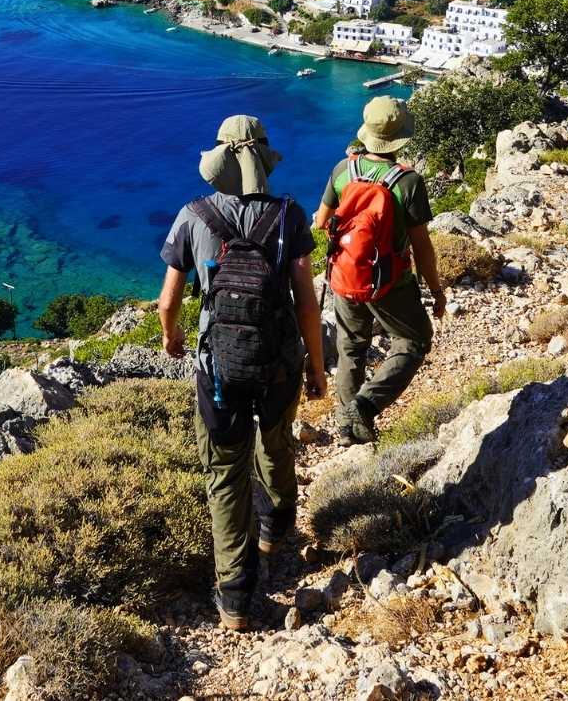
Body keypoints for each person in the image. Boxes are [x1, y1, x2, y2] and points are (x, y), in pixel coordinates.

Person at [158, 115, 326, 631]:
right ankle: (276, 533)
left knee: (225, 474)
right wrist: (317, 368)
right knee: (274, 444)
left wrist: (175, 339)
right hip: (278, 363)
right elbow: (306, 304)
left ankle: (234, 596)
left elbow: (168, 302)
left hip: (218, 369)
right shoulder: (289, 214)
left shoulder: (194, 215)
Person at [312, 95, 444, 446]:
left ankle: (347, 425)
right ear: (401, 137)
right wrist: (436, 289)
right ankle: (364, 408)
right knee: (414, 340)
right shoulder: (408, 183)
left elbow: (321, 222)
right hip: (391, 283)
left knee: (351, 347)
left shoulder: (343, 171)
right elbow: (421, 246)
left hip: (344, 275)